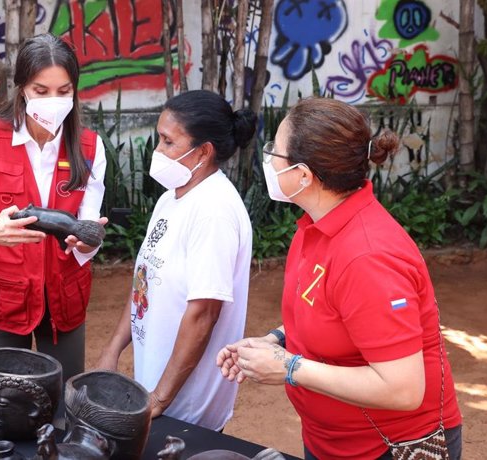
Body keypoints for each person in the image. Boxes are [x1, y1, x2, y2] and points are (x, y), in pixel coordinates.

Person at [216, 98, 462, 459]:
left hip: (389, 448)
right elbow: (327, 314)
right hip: (332, 440)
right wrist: (275, 340)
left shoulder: (367, 256)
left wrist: (288, 367)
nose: (268, 159)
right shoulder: (316, 226)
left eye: (275, 152)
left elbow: (403, 389)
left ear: (303, 175)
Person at [0, 34, 107, 381]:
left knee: (66, 394)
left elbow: (89, 223)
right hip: (1, 294)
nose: (53, 100)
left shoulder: (89, 146)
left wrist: (87, 241)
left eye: (64, 91)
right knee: (6, 398)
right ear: (21, 88)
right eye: (41, 90)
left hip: (64, 296)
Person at [96, 90, 256, 431]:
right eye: (159, 139)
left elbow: (203, 315)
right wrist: (113, 351)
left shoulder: (214, 212)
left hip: (186, 407)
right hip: (155, 385)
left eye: (168, 142)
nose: (157, 152)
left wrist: (160, 399)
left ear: (204, 151)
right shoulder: (173, 198)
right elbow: (146, 282)